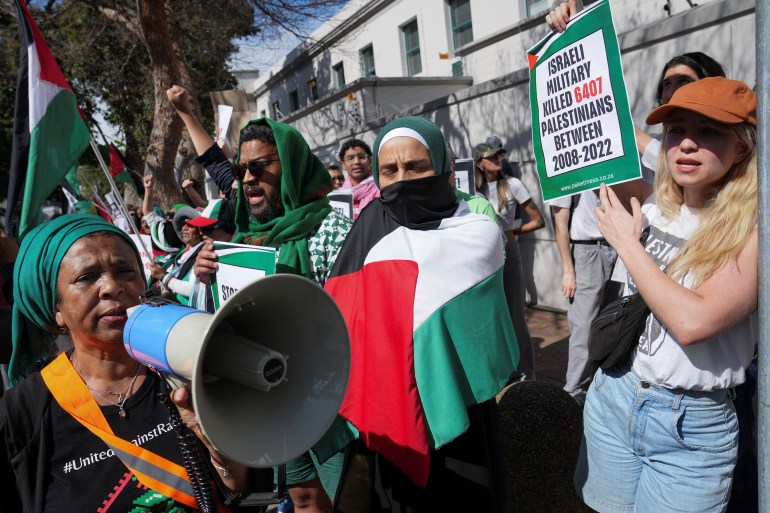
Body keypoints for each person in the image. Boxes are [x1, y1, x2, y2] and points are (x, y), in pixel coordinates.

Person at [574, 77, 758, 513]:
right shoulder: (654, 202)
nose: (687, 144)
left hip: (688, 425)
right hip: (613, 397)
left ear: (743, 148)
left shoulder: (754, 230)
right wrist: (573, 31)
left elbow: (695, 322)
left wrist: (629, 247)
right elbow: (601, 132)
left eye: (709, 131)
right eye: (675, 129)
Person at [166, 84, 352, 513]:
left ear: (289, 166)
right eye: (243, 168)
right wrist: (206, 277)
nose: (248, 177)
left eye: (260, 166)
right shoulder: (246, 241)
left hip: (330, 393)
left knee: (345, 495)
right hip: (275, 390)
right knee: (302, 496)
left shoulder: (332, 232)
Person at [0, 214, 260, 512]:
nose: (112, 287)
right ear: (55, 308)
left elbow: (242, 491)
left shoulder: (188, 366)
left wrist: (222, 454)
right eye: (87, 277)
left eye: (125, 271)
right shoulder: (23, 415)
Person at [326, 116, 518, 513]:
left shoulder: (478, 230)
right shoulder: (367, 231)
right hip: (389, 408)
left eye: (417, 167)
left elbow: (482, 332)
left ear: (445, 170)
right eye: (390, 171)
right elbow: (342, 317)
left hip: (462, 413)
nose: (403, 179)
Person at [474, 142, 543, 381]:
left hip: (508, 254)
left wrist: (513, 231)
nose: (496, 158)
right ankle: (500, 371)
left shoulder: (513, 185)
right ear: (479, 163)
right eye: (490, 156)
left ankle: (525, 372)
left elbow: (538, 220)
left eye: (499, 154)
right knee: (490, 316)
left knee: (515, 315)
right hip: (482, 260)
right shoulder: (472, 191)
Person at [148, 205, 204, 305]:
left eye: (190, 224)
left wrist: (164, 277)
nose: (184, 228)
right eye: (182, 224)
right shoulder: (181, 254)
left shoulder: (203, 254)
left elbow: (194, 290)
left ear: (200, 230)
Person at [337, 139, 379, 219]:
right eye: (350, 158)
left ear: (370, 161)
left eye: (361, 157)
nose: (356, 162)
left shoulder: (381, 189)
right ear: (343, 164)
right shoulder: (338, 197)